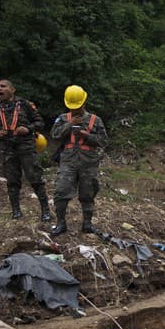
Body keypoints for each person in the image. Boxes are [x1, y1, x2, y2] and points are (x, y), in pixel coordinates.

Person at [0, 79, 51, 221]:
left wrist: (28, 128)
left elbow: (40, 122)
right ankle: (16, 210)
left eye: (3, 86)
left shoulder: (25, 105)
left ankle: (45, 210)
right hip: (7, 148)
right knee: (12, 180)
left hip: (26, 146)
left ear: (12, 89)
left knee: (35, 178)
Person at [50, 84, 108, 235]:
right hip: (68, 161)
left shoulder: (95, 120)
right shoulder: (63, 119)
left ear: (84, 102)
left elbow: (103, 141)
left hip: (88, 162)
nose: (75, 109)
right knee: (61, 191)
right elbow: (55, 135)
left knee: (87, 194)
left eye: (77, 105)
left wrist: (86, 135)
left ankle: (87, 224)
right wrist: (70, 125)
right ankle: (61, 224)